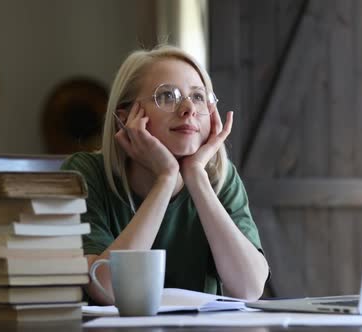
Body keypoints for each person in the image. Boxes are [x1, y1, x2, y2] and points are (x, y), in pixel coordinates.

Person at [61, 45, 270, 305]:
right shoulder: (86, 173)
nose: (188, 109)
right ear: (125, 119)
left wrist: (196, 177)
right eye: (168, 96)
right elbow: (107, 291)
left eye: (197, 96)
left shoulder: (219, 178)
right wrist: (166, 179)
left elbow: (250, 288)